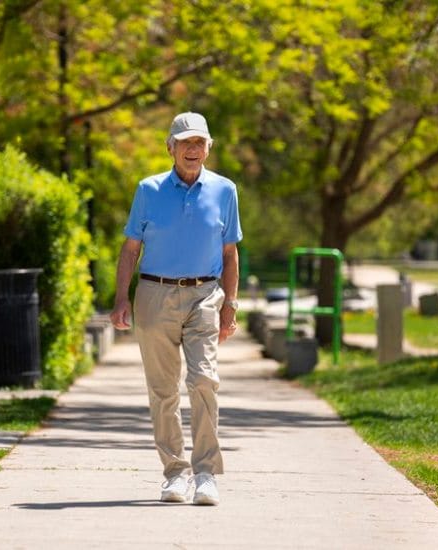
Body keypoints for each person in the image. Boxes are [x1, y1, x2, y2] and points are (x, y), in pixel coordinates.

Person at [110, 111, 242, 506]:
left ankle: (205, 474)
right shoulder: (148, 190)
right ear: (170, 147)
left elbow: (230, 252)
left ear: (208, 149)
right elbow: (131, 249)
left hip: (205, 294)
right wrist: (121, 299)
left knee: (203, 380)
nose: (192, 149)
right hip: (154, 294)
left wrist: (230, 306)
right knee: (163, 389)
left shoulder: (225, 190)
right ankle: (175, 474)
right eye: (185, 142)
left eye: (199, 143)